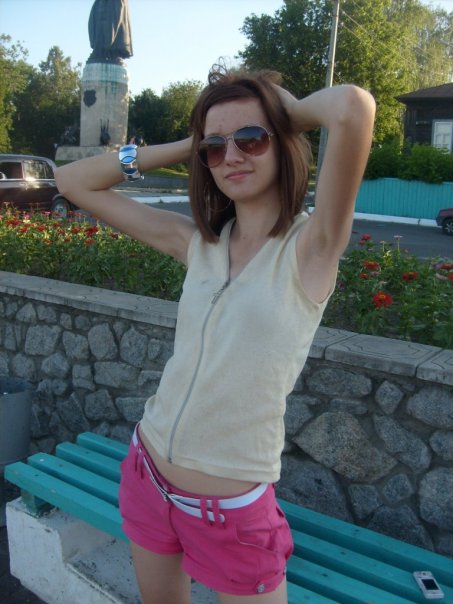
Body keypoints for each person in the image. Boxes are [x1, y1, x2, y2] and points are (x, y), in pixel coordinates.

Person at [55, 66, 375, 604]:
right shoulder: (199, 244)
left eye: (251, 139)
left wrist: (282, 114)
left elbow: (352, 108)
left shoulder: (311, 249)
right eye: (215, 148)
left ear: (282, 142)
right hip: (147, 475)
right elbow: (73, 181)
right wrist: (190, 143)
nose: (232, 156)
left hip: (232, 514)